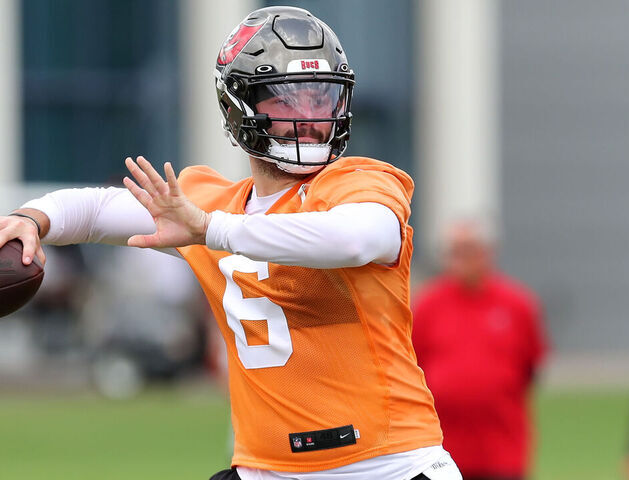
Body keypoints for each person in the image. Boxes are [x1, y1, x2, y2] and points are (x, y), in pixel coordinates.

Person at [0, 6, 462, 480]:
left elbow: (356, 239)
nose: (308, 117)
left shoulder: (357, 182)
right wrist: (31, 218)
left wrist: (211, 230)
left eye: (321, 99)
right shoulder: (209, 204)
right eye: (286, 100)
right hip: (265, 468)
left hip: (389, 465)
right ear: (236, 106)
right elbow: (96, 210)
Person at [412, 219, 548, 480]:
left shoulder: (518, 304)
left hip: (501, 445)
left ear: (487, 252)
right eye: (455, 251)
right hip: (442, 445)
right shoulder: (428, 305)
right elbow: (414, 364)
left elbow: (531, 367)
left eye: (469, 250)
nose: (461, 259)